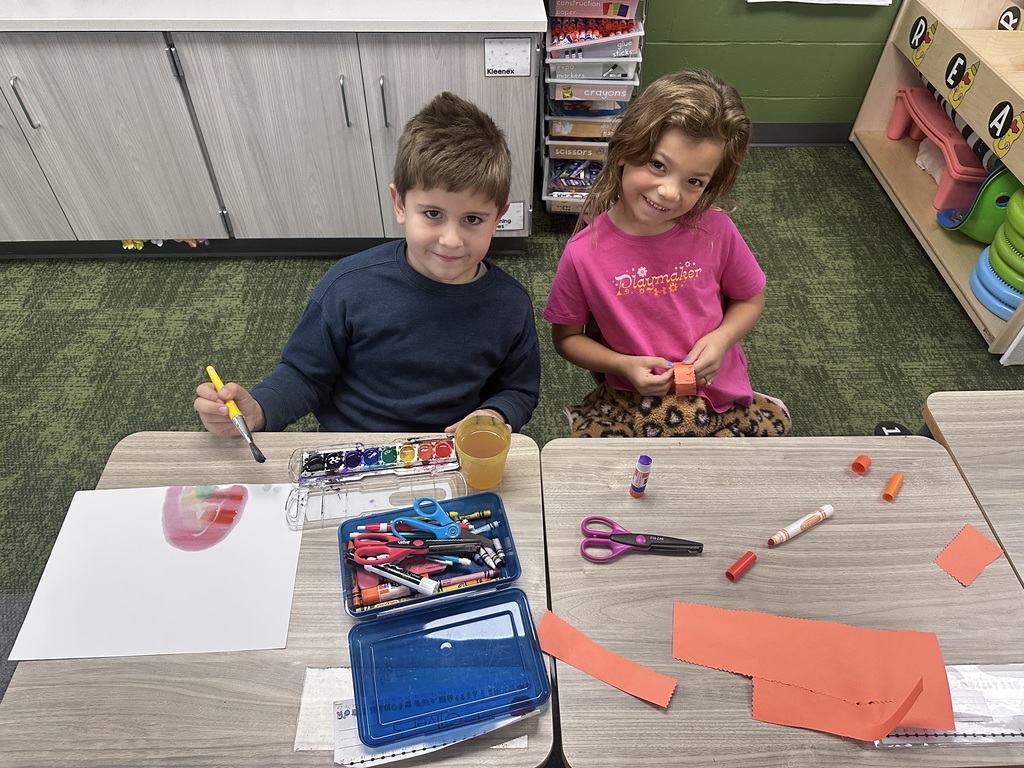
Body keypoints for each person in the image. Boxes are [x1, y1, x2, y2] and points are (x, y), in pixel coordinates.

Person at [195, 92, 540, 436]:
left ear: (498, 218)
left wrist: (495, 413)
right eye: (433, 214)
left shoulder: (511, 305)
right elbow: (305, 374)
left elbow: (518, 389)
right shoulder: (348, 286)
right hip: (351, 448)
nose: (451, 239)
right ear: (400, 204)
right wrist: (260, 409)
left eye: (473, 219)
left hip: (447, 453)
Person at [543, 69, 791, 438]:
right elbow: (566, 339)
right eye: (658, 165)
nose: (671, 193)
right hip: (633, 395)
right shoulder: (583, 254)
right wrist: (623, 366)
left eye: (694, 181)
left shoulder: (716, 230)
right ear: (626, 150)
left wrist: (722, 339)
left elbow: (750, 299)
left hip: (716, 388)